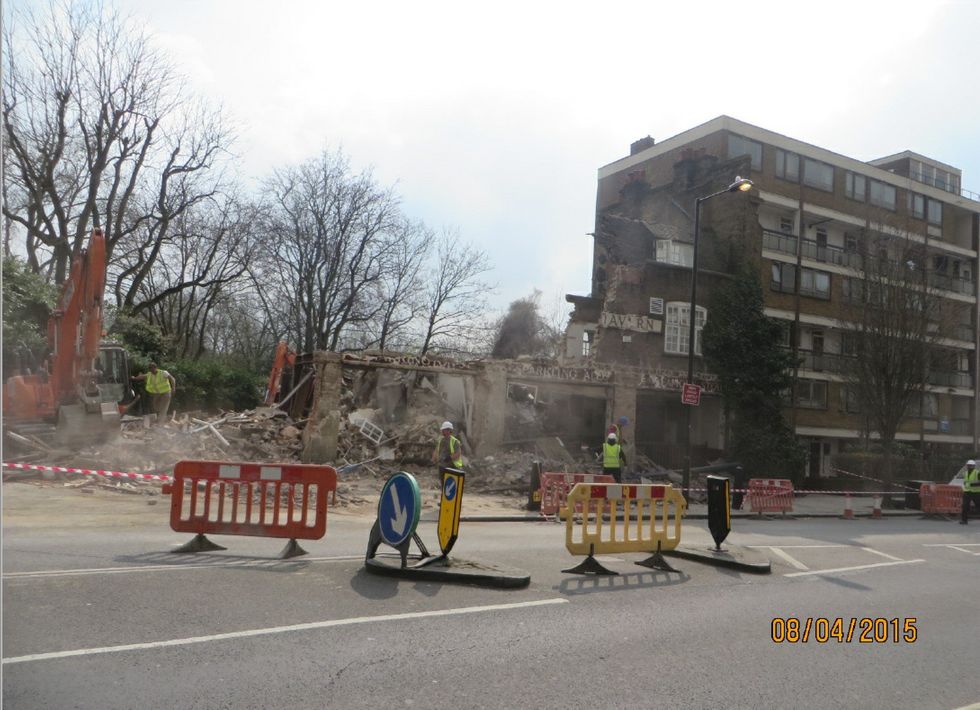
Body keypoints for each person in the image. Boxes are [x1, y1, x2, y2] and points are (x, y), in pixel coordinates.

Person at [961, 459, 980, 525]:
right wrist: (965, 484)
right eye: (968, 465)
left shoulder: (977, 473)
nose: (969, 467)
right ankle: (964, 520)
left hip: (976, 492)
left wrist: (972, 485)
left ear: (974, 466)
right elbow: (966, 481)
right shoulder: (965, 473)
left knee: (979, 505)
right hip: (967, 492)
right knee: (965, 506)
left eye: (971, 466)